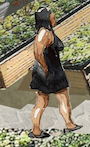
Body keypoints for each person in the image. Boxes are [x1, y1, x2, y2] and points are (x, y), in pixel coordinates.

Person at [29, 7, 81, 138]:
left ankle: (36, 130)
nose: (54, 17)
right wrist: (46, 68)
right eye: (52, 16)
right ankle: (69, 124)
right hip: (51, 70)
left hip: (44, 71)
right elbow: (37, 53)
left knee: (42, 102)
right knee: (62, 98)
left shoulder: (45, 32)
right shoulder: (44, 33)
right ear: (46, 18)